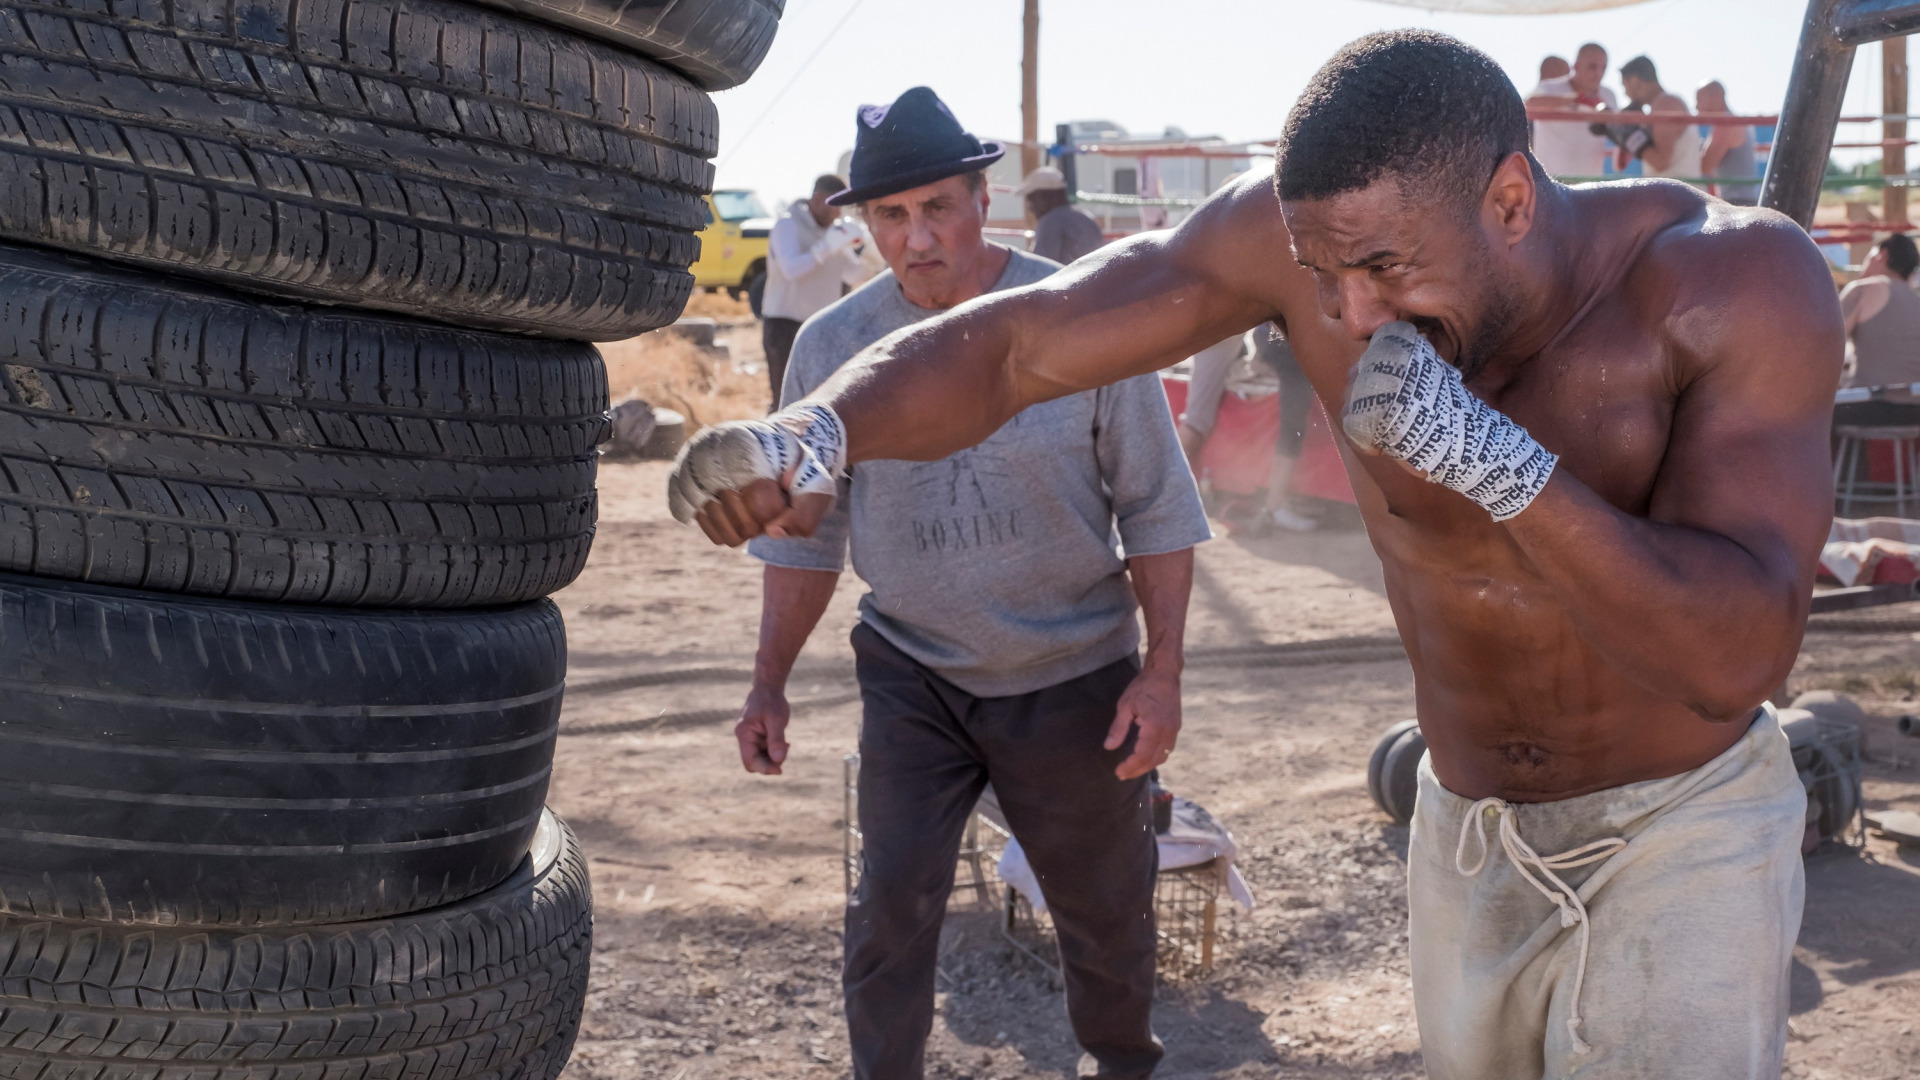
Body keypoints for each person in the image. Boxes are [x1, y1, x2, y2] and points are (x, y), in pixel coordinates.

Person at [670, 30, 1841, 1079]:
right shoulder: (1307, 249)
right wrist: (818, 429)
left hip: (1679, 832)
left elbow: (1736, 654)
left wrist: (1507, 473)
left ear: (1513, 202)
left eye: (1383, 269)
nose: (1347, 318)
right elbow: (1021, 349)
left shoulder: (1725, 280)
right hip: (1468, 828)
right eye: (1319, 277)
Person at [733, 86, 1209, 1080]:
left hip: (1074, 673)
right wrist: (768, 679)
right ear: (866, 223)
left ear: (981, 197)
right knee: (892, 905)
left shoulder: (1083, 323)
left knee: (1103, 910)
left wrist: (1161, 674)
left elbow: (1158, 510)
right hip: (915, 673)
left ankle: (1125, 1067)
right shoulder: (829, 350)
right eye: (890, 217)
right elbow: (806, 542)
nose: (917, 240)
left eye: (937, 208)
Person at [1176, 328, 1318, 533]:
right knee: (1294, 407)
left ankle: (1168, 496)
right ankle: (1275, 506)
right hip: (1243, 325)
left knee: (1196, 418)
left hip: (1232, 324)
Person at [761, 173, 883, 403]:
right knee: (785, 401)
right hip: (784, 326)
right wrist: (826, 247)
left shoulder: (833, 232)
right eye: (835, 207)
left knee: (820, 400)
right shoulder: (787, 225)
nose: (839, 214)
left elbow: (852, 273)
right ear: (818, 200)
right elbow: (791, 270)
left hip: (821, 327)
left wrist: (870, 252)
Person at [1840, 232, 1920, 389]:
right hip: (1915, 405)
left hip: (1870, 404)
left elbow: (1823, 348)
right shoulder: (1916, 300)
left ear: (1881, 255)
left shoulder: (1862, 290)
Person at [1525, 43, 1617, 179]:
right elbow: (1528, 104)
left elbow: (1617, 130)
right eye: (1592, 66)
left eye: (1603, 68)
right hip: (1551, 182)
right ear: (1577, 66)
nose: (1598, 73)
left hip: (1591, 183)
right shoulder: (1550, 88)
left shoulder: (1608, 95)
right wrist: (1576, 99)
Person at [1608, 55, 1703, 180]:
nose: (1625, 93)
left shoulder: (1666, 105)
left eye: (1624, 85)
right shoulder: (1664, 104)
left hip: (1677, 193)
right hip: (1675, 191)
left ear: (1635, 81)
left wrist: (1630, 137)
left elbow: (1661, 162)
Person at [1019, 165, 1106, 264]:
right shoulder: (1088, 218)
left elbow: (1041, 267)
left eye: (1031, 201)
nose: (1031, 208)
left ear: (1043, 197)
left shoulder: (1050, 223)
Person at [1696, 80, 1761, 204]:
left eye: (1699, 99)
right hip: (1742, 200)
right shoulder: (1731, 120)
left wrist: (1691, 149)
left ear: (1714, 97)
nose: (1696, 107)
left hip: (1737, 202)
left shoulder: (1726, 124)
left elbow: (1706, 165)